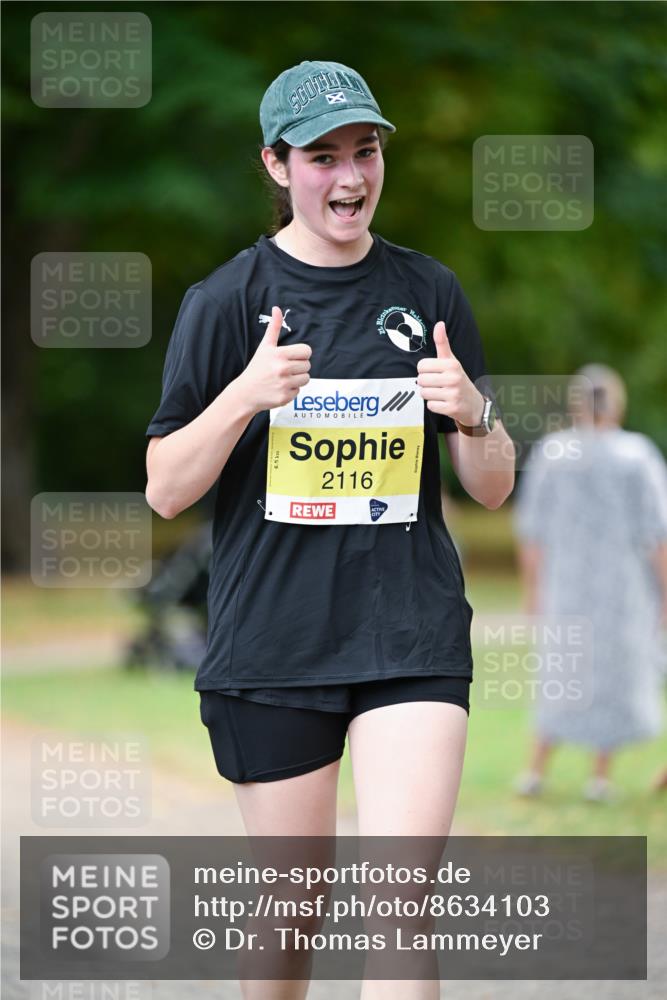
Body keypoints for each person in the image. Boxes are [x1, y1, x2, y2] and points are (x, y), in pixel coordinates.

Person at [145, 60, 515, 999]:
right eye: (322, 157)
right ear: (276, 166)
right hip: (274, 644)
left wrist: (474, 414)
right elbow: (165, 490)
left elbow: (492, 488)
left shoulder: (428, 291)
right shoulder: (226, 302)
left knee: (400, 908)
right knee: (293, 910)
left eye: (365, 151)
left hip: (409, 636)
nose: (349, 177)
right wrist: (243, 396)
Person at [514, 364, 667, 803]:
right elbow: (656, 533)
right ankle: (599, 777)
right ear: (617, 403)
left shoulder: (553, 453)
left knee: (561, 675)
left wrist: (532, 590)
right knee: (612, 676)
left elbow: (532, 531)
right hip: (623, 590)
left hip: (566, 586)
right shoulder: (637, 455)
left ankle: (534, 770)